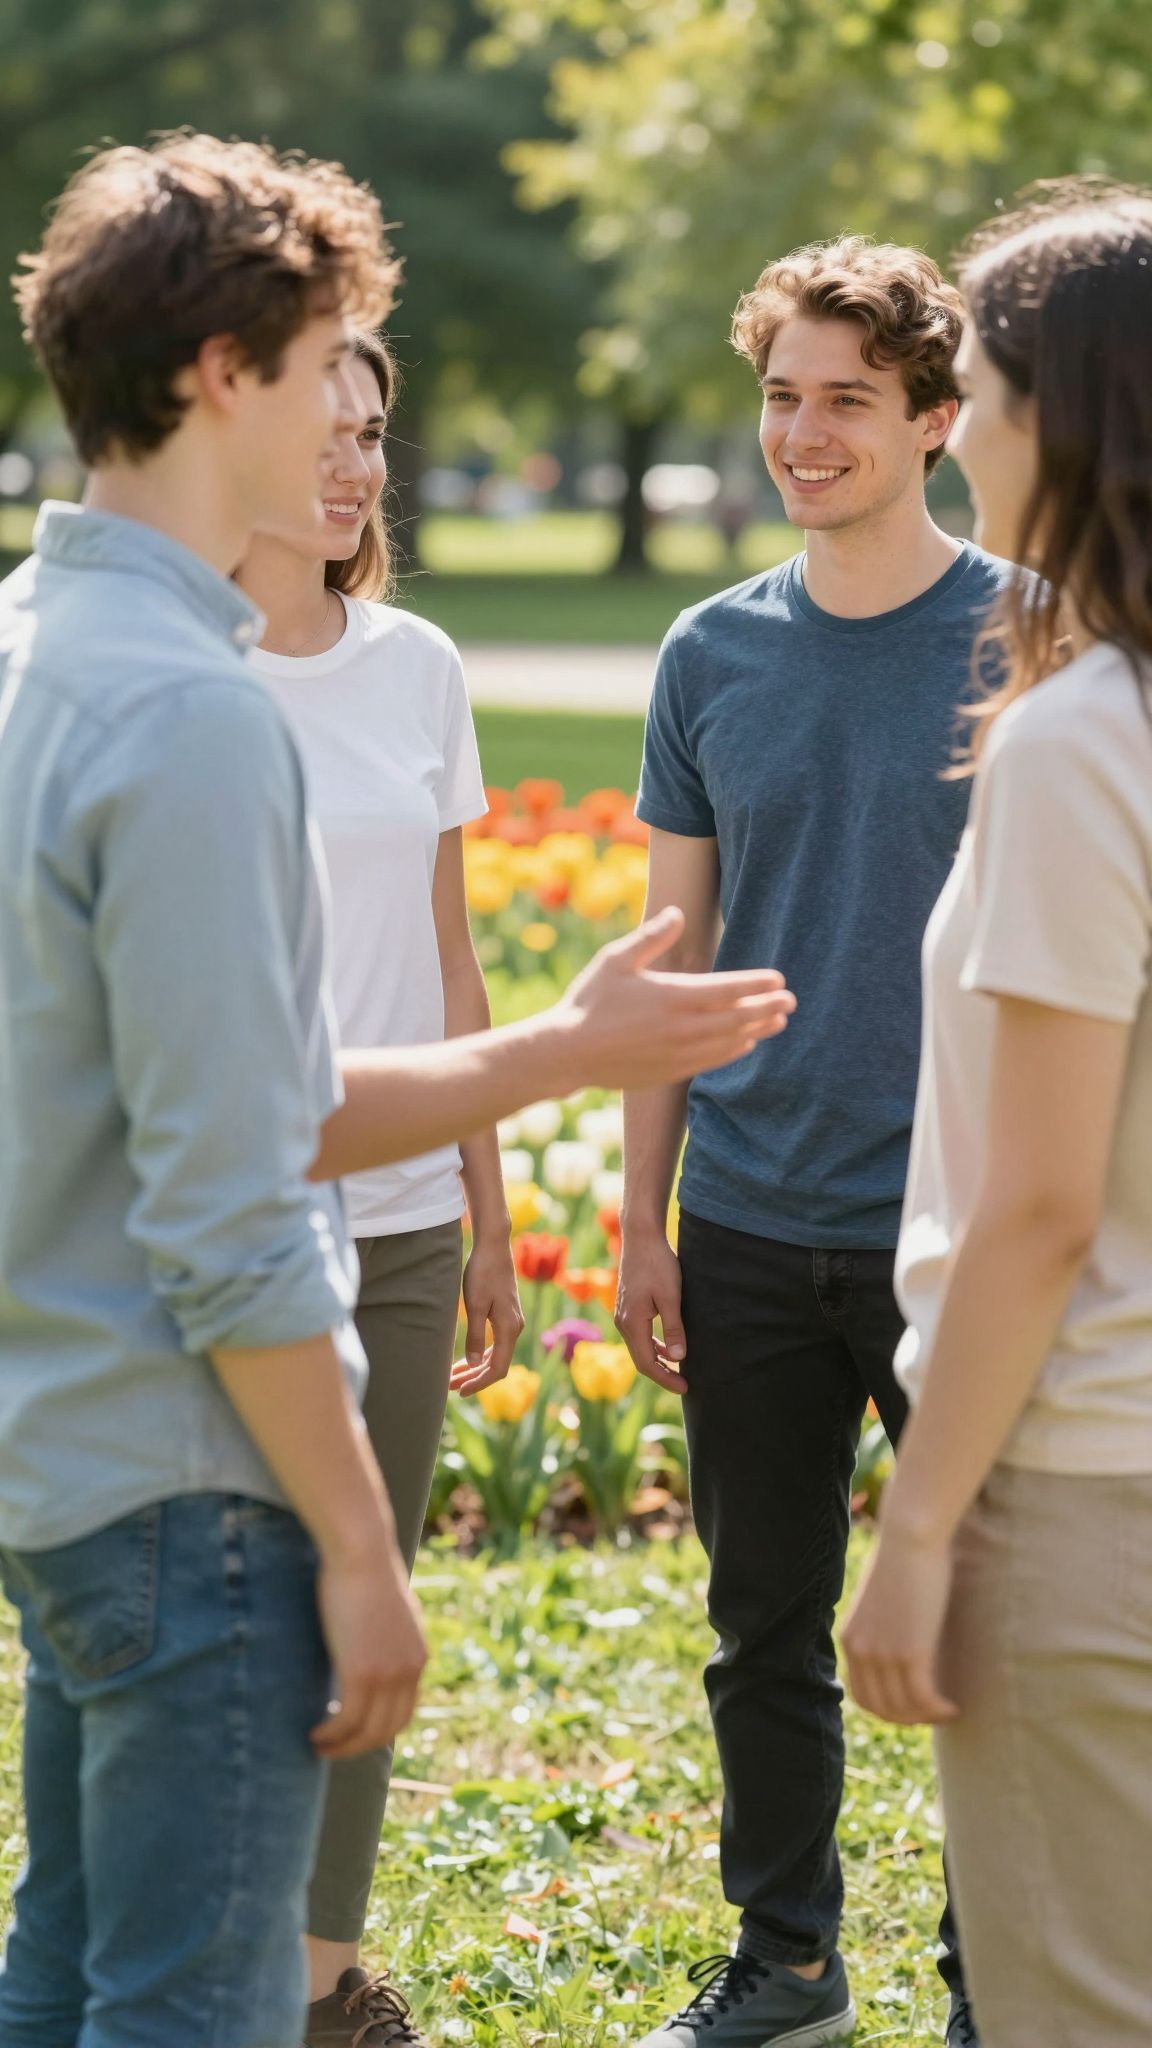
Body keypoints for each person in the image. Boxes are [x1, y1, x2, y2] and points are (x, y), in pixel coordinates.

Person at [0, 132, 797, 2048]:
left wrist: (553, 1052)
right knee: (188, 2013)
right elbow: (233, 1188)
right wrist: (365, 1556)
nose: (356, 421)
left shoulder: (37, 651)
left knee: (63, 1979)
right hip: (200, 1492)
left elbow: (193, 1091)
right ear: (220, 374)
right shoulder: (189, 714)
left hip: (68, 1462)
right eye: (326, 360)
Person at [615, 236, 1017, 2048]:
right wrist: (643, 1218)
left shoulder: (1036, 639)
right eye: (782, 394)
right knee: (759, 1624)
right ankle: (787, 1965)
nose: (804, 431)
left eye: (848, 398)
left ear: (935, 417)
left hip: (971, 1232)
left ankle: (994, 1974)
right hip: (753, 1222)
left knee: (998, 1641)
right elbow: (666, 961)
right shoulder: (710, 654)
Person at [842, 182, 1152, 2048]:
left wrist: (927, 1523)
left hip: (1085, 1478)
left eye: (975, 380)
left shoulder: (1079, 738)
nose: (960, 421)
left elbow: (1038, 1210)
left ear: (1069, 412)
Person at [239, 330, 521, 2045]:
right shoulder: (160, 668)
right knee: (215, 1609)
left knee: (374, 1606)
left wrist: (488, 1213)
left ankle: (322, 1979)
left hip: (406, 1224)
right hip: (229, 1225)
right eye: (327, 435)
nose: (358, 470)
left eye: (374, 438)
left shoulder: (416, 666)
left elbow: (452, 954)